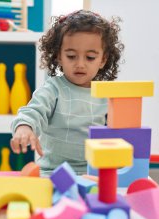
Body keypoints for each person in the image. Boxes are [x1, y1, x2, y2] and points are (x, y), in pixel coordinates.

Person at [10, 10, 124, 175]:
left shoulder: (107, 95)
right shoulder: (53, 89)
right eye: (71, 56)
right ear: (58, 56)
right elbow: (33, 111)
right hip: (53, 171)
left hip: (94, 172)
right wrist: (24, 127)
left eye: (90, 57)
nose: (80, 64)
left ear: (103, 60)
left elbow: (117, 135)